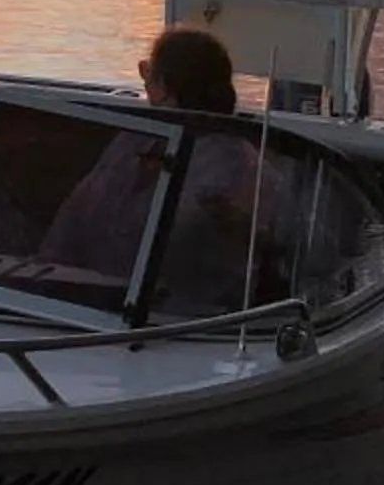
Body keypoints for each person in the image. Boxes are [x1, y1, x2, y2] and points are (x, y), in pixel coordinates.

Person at [41, 26, 277, 313]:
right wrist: (44, 276)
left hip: (181, 322)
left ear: (167, 88)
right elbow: (75, 214)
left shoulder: (239, 167)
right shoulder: (133, 138)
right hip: (89, 305)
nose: (144, 83)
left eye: (147, 72)